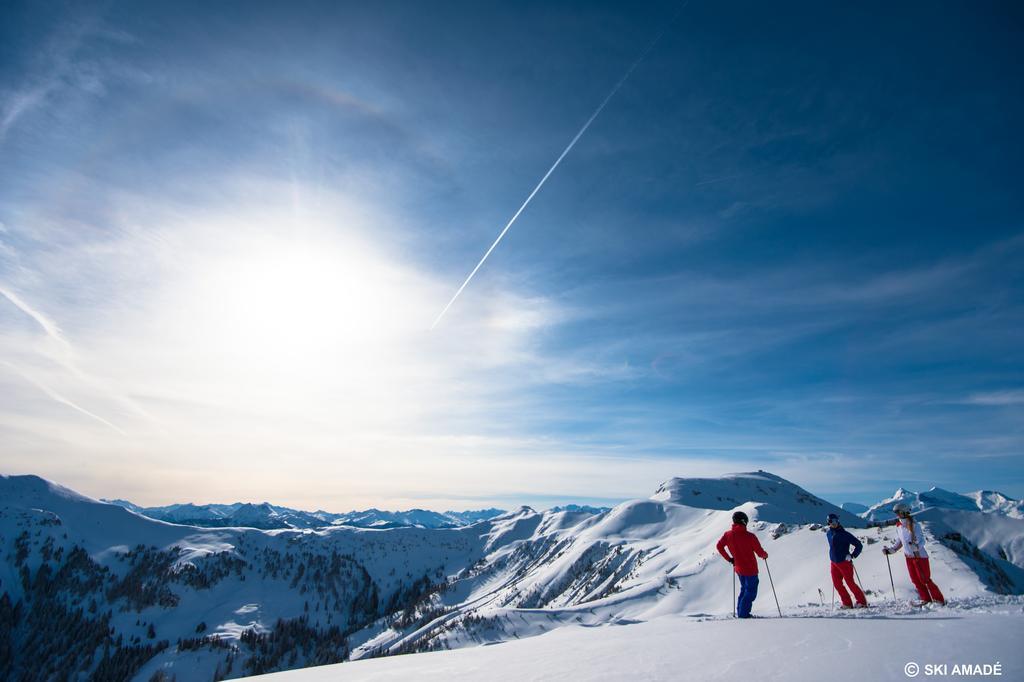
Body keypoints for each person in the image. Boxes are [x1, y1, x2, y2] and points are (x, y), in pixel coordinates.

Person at [878, 503, 946, 605]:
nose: (897, 515)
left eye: (898, 512)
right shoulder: (899, 526)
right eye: (896, 513)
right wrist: (891, 550)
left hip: (919, 556)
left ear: (904, 512)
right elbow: (900, 541)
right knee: (915, 580)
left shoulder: (914, 525)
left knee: (925, 579)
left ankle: (939, 600)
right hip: (909, 557)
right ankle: (926, 599)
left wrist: (917, 547)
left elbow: (922, 540)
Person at [716, 510, 769, 618]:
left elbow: (719, 546)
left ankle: (741, 612)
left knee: (744, 589)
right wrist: (765, 555)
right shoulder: (750, 537)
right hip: (751, 570)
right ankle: (743, 615)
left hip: (739, 569)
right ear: (743, 521)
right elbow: (759, 552)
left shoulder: (728, 535)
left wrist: (730, 559)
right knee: (750, 592)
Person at [825, 512, 867, 608]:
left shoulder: (844, 534)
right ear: (828, 523)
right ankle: (847, 603)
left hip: (845, 562)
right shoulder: (828, 534)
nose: (834, 523)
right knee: (837, 584)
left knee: (850, 583)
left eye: (836, 521)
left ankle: (862, 602)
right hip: (834, 563)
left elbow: (859, 545)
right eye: (831, 521)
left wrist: (852, 555)